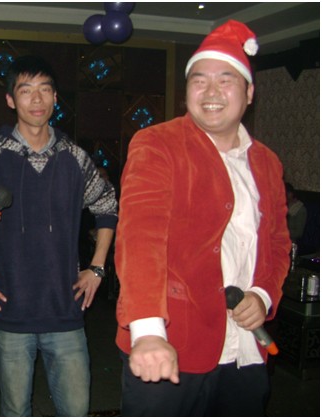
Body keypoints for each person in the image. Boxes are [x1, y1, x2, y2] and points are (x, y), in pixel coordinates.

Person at [115, 20, 291, 416]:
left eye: (225, 80)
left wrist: (263, 295)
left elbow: (279, 242)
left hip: (245, 348)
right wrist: (148, 331)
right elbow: (141, 237)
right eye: (199, 81)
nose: (211, 92)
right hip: (171, 346)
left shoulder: (267, 162)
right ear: (187, 92)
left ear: (249, 92)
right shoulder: (158, 143)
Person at [0, 55, 118, 416]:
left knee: (77, 409)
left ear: (55, 97)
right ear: (11, 100)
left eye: (45, 90)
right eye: (26, 91)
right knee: (16, 410)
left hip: (65, 310)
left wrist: (98, 267)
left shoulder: (75, 158)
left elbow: (107, 206)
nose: (37, 99)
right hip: (9, 310)